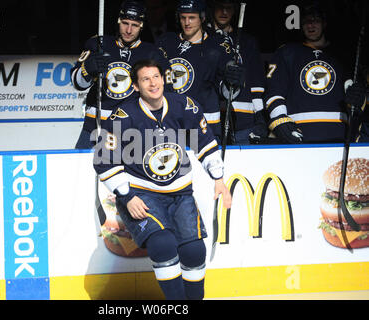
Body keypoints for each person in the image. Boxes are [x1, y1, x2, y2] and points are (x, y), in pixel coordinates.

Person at [93, 59, 232, 300]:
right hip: (141, 195)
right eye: (145, 79)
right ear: (136, 86)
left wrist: (218, 179)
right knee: (163, 244)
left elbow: (206, 143)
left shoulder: (184, 105)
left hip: (180, 194)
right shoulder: (122, 116)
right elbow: (103, 160)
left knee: (194, 250)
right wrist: (126, 196)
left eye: (156, 77)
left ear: (164, 78)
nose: (152, 83)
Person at [70, 0, 172, 149]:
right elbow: (77, 83)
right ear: (118, 21)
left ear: (142, 26)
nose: (129, 30)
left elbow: (166, 94)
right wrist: (87, 69)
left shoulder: (152, 53)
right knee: (79, 169)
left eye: (135, 25)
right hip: (94, 126)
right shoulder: (99, 44)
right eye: (125, 23)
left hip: (131, 129)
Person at [264, 4, 366, 144]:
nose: (311, 25)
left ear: (324, 24)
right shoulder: (287, 53)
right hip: (299, 135)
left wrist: (357, 100)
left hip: (339, 135)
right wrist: (280, 120)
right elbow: (274, 91)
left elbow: (355, 94)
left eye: (316, 20)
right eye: (306, 21)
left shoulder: (342, 56)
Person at [156, 0, 245, 142]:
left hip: (205, 124)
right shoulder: (166, 42)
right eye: (183, 17)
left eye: (192, 18)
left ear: (202, 18)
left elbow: (225, 92)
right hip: (171, 124)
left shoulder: (218, 46)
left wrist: (232, 81)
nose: (186, 22)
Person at [206, 0, 268, 144]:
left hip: (244, 121)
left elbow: (256, 83)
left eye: (229, 8)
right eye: (220, 7)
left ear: (235, 10)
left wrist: (259, 116)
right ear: (213, 8)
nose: (224, 12)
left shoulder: (247, 42)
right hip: (211, 120)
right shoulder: (203, 38)